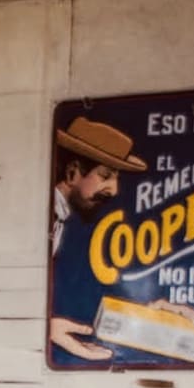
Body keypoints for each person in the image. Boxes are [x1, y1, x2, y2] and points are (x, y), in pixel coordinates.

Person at [48, 116, 145, 365]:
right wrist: (48, 329)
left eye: (116, 178)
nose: (114, 190)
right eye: (105, 176)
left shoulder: (59, 217)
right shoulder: (42, 219)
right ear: (72, 173)